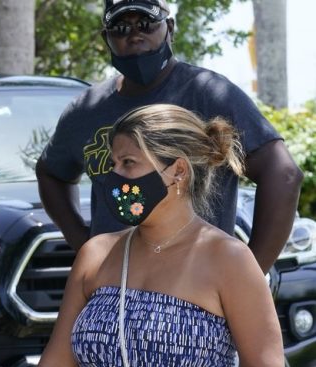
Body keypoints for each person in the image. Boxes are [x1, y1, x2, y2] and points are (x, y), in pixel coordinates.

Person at [19, 104, 285, 367]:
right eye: (114, 164)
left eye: (129, 163)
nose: (115, 177)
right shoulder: (98, 255)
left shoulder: (226, 258)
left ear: (177, 171)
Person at [36, 0, 303, 273]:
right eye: (120, 27)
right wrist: (81, 239)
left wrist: (249, 273)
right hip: (113, 286)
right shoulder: (86, 109)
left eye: (146, 23)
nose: (135, 34)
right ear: (106, 38)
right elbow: (51, 173)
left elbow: (283, 174)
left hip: (196, 287)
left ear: (170, 27)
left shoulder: (209, 94)